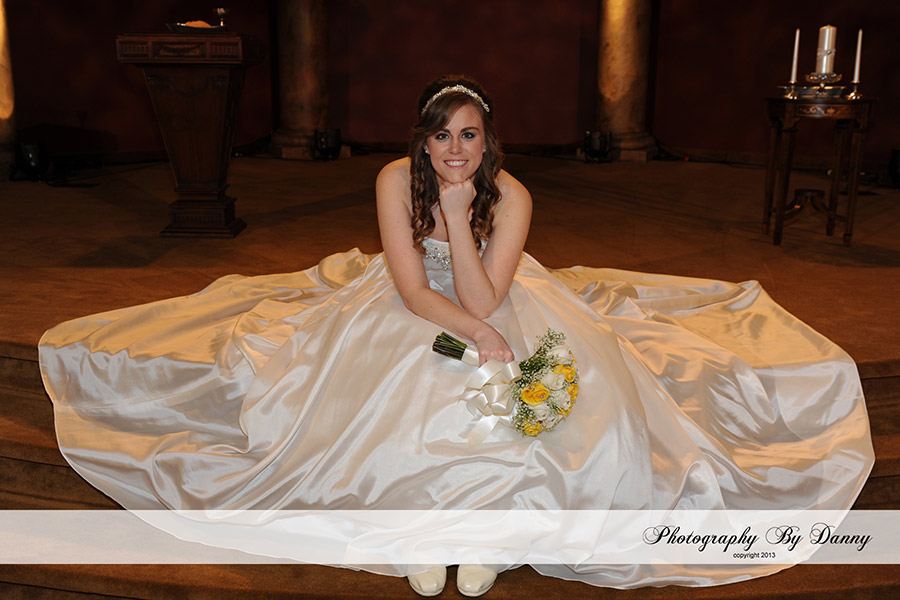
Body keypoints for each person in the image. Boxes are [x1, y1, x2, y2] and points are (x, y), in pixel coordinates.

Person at [39, 75, 874, 597]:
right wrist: (473, 326)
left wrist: (459, 220)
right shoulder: (390, 179)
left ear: (487, 140)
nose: (454, 150)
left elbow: (488, 293)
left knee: (514, 408)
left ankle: (481, 537)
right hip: (411, 308)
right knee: (402, 392)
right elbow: (412, 290)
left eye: (468, 135)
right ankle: (423, 533)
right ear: (422, 139)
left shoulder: (512, 197)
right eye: (441, 135)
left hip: (494, 295)